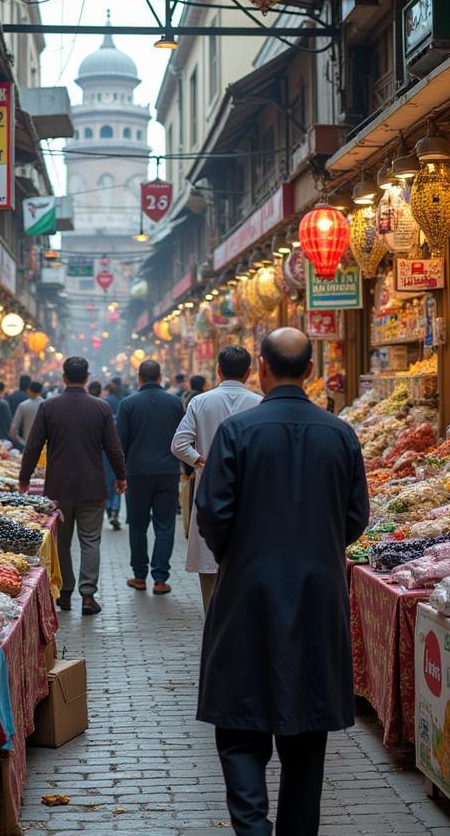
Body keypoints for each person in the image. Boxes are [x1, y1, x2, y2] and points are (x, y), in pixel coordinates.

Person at [195, 328, 370, 836]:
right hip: (319, 593)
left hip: (247, 592)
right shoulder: (340, 433)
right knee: (307, 733)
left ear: (263, 371)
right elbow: (356, 517)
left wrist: (242, 554)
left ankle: (252, 829)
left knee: (240, 728)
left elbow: (213, 513)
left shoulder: (237, 431)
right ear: (310, 370)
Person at [18, 356, 126, 615]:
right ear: (87, 377)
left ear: (64, 377)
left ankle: (64, 594)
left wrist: (24, 478)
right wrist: (121, 476)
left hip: (59, 488)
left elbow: (33, 446)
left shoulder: (48, 406)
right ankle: (88, 596)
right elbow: (113, 447)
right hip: (92, 486)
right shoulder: (100, 408)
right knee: (90, 541)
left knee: (62, 543)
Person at [171, 346, 261, 610]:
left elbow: (178, 444)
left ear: (219, 370)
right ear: (249, 372)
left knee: (210, 567)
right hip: (249, 492)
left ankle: (214, 632)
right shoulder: (259, 403)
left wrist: (201, 460)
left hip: (210, 489)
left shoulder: (200, 402)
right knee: (245, 563)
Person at [116, 360, 185, 595]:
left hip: (137, 472)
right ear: (160, 376)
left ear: (139, 378)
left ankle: (139, 575)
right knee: (165, 525)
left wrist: (119, 475)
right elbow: (184, 437)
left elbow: (120, 442)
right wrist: (185, 469)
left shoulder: (128, 404)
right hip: (168, 472)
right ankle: (160, 578)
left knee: (137, 525)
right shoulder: (175, 402)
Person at [102, 381, 122, 529]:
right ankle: (114, 511)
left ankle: (109, 512)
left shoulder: (102, 405)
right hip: (117, 452)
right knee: (118, 482)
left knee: (107, 484)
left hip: (103, 453)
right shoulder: (122, 403)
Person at [8, 381, 43, 450]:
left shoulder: (23, 405)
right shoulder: (47, 405)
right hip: (43, 446)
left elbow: (13, 428)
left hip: (27, 444)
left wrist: (20, 441)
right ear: (41, 392)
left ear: (29, 390)